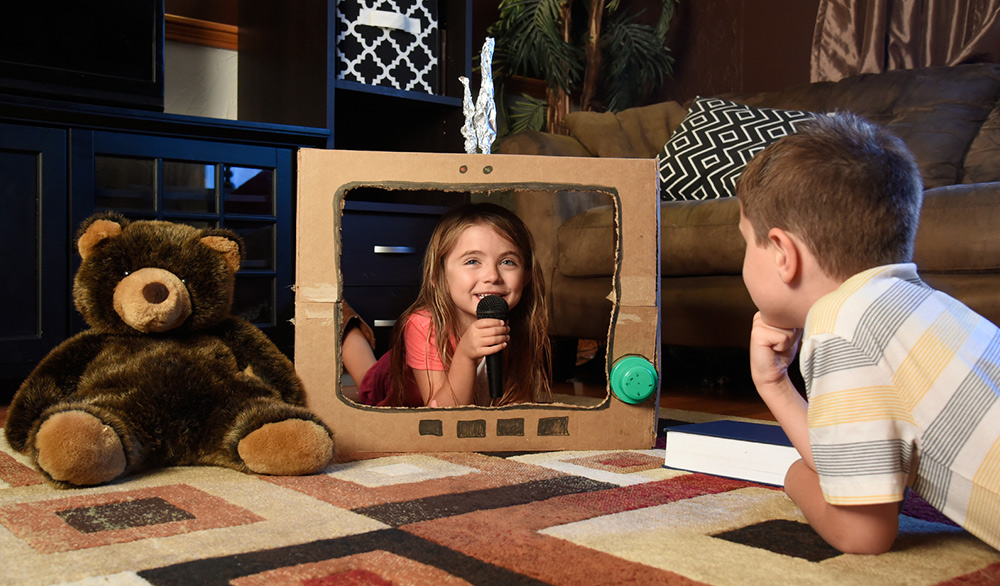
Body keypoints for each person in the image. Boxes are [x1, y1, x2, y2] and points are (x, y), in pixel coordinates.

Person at [736, 112, 1000, 554]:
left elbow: (863, 531)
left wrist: (795, 479)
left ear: (783, 253)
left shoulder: (841, 325)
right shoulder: (922, 307)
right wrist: (775, 385)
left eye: (746, 242)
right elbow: (853, 469)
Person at [342, 202, 551, 407]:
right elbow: (442, 414)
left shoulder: (521, 323)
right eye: (472, 261)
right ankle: (345, 321)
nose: (492, 276)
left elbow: (516, 404)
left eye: (508, 262)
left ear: (526, 276)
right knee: (365, 377)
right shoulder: (423, 324)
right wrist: (466, 355)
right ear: (439, 276)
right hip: (389, 382)